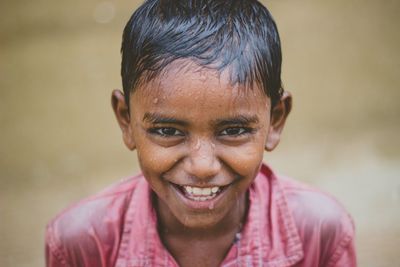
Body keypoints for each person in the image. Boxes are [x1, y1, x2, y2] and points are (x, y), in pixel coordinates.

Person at [45, 0, 357, 266]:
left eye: (233, 130)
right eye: (167, 130)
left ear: (275, 122)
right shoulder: (82, 244)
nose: (202, 166)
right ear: (126, 121)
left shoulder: (320, 233)